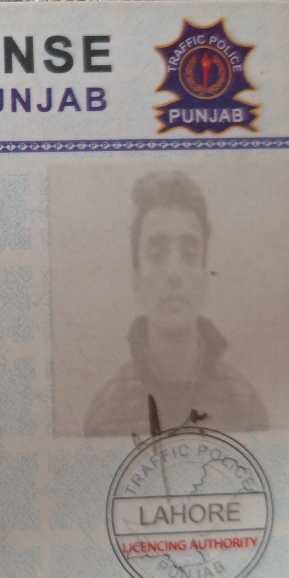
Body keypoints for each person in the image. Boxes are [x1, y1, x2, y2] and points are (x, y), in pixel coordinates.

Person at [83, 171, 267, 438]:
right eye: (157, 255)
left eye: (189, 254)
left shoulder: (244, 405)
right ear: (136, 280)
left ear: (204, 278)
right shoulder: (107, 412)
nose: (174, 274)